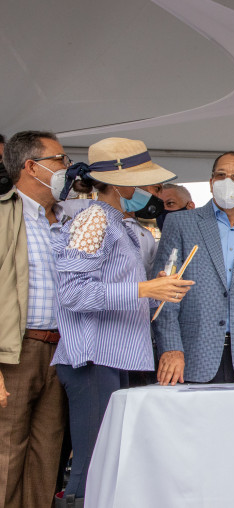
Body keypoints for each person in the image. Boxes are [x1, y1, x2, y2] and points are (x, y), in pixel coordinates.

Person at [50, 137, 193, 506]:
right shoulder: (94, 218)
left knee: (107, 462)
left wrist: (156, 290)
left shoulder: (119, 223)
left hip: (114, 356)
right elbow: (72, 293)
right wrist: (145, 289)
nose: (147, 189)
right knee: (92, 464)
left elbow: (114, 288)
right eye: (141, 180)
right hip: (94, 357)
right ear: (118, 183)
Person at [153, 151, 234, 385]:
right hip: (189, 357)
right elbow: (164, 293)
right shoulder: (180, 223)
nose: (227, 182)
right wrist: (171, 348)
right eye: (221, 175)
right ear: (211, 183)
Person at [0, 131, 69, 508]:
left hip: (60, 351)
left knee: (47, 456)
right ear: (31, 166)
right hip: (14, 353)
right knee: (6, 456)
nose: (67, 167)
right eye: (59, 160)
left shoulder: (67, 218)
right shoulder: (3, 213)